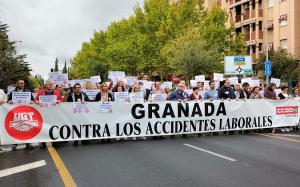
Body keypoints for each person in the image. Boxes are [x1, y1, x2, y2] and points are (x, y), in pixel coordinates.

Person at [7, 79, 34, 150]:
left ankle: (28, 143)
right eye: (20, 83)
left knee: (26, 128)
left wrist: (32, 102)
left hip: (25, 112)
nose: (22, 84)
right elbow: (8, 101)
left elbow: (33, 100)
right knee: (15, 128)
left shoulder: (28, 92)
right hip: (16, 113)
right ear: (17, 84)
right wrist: (9, 101)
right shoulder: (12, 92)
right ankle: (14, 144)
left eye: (23, 83)